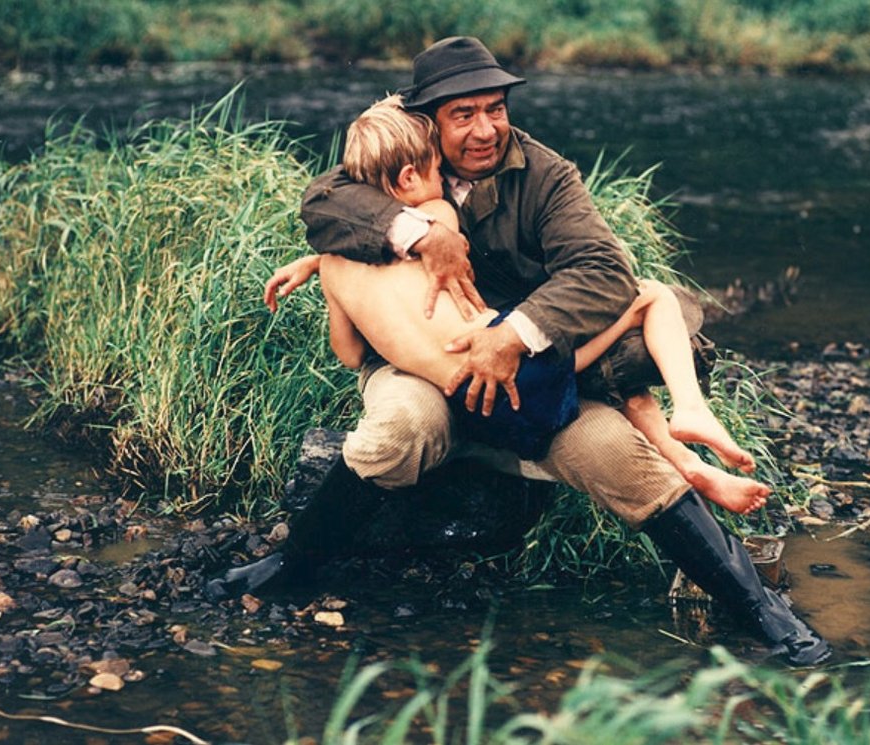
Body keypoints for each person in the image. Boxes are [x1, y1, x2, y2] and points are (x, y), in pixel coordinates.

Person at [211, 37, 830, 667]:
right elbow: (323, 202)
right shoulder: (399, 150)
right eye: (465, 114)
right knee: (399, 428)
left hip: (527, 372)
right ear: (428, 119)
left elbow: (604, 272)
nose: (485, 129)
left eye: (495, 108)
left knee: (619, 455)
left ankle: (757, 608)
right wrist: (421, 232)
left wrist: (512, 336)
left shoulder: (545, 176)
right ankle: (292, 564)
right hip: (417, 369)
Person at [268, 95, 768, 511]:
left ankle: (692, 464)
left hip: (474, 379)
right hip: (509, 378)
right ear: (410, 176)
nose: (447, 177)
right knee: (652, 298)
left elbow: (350, 355)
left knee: (611, 369)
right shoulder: (439, 211)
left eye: (495, 110)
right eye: (439, 166)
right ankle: (691, 417)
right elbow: (333, 200)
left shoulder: (340, 264)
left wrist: (319, 264)